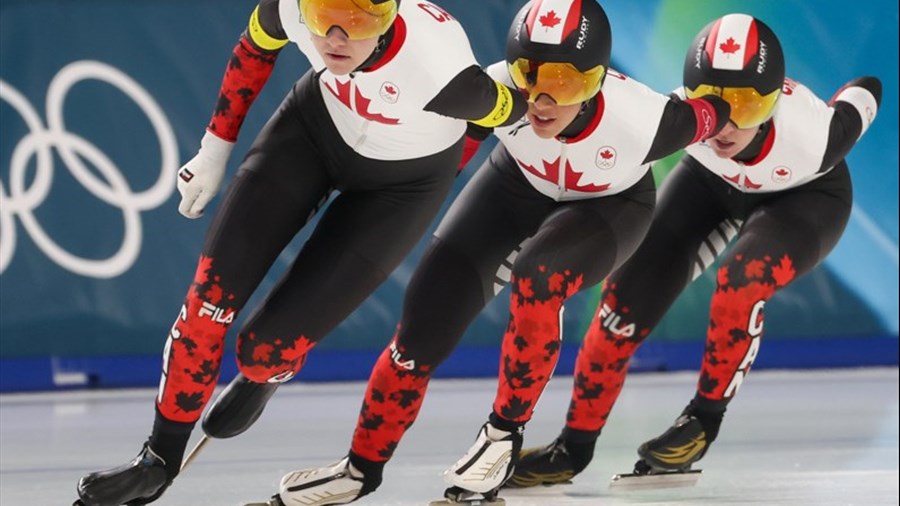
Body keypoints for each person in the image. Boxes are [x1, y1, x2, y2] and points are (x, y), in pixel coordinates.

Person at [238, 1, 733, 504]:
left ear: (597, 80)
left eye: (563, 83)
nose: (540, 99)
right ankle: (361, 468)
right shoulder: (488, 89)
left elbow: (718, 112)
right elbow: (443, 161)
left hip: (610, 208)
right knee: (421, 324)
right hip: (512, 187)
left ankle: (502, 435)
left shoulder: (646, 118)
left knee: (540, 277)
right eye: (528, 75)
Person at [73, 0, 531, 504]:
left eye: (357, 22)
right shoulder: (287, 6)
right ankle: (157, 462)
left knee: (262, 351)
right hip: (312, 131)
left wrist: (441, 181)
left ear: (388, 20)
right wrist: (213, 150)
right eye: (322, 17)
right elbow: (252, 50)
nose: (335, 36)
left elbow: (504, 113)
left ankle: (269, 370)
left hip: (401, 186)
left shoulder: (446, 73)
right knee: (207, 305)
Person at [507, 13, 883, 489]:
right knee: (618, 311)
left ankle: (702, 422)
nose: (726, 125)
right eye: (715, 107)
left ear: (771, 104)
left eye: (746, 108)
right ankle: (574, 447)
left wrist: (852, 92)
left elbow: (865, 89)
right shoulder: (674, 119)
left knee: (740, 284)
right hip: (709, 182)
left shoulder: (815, 136)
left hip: (805, 195)